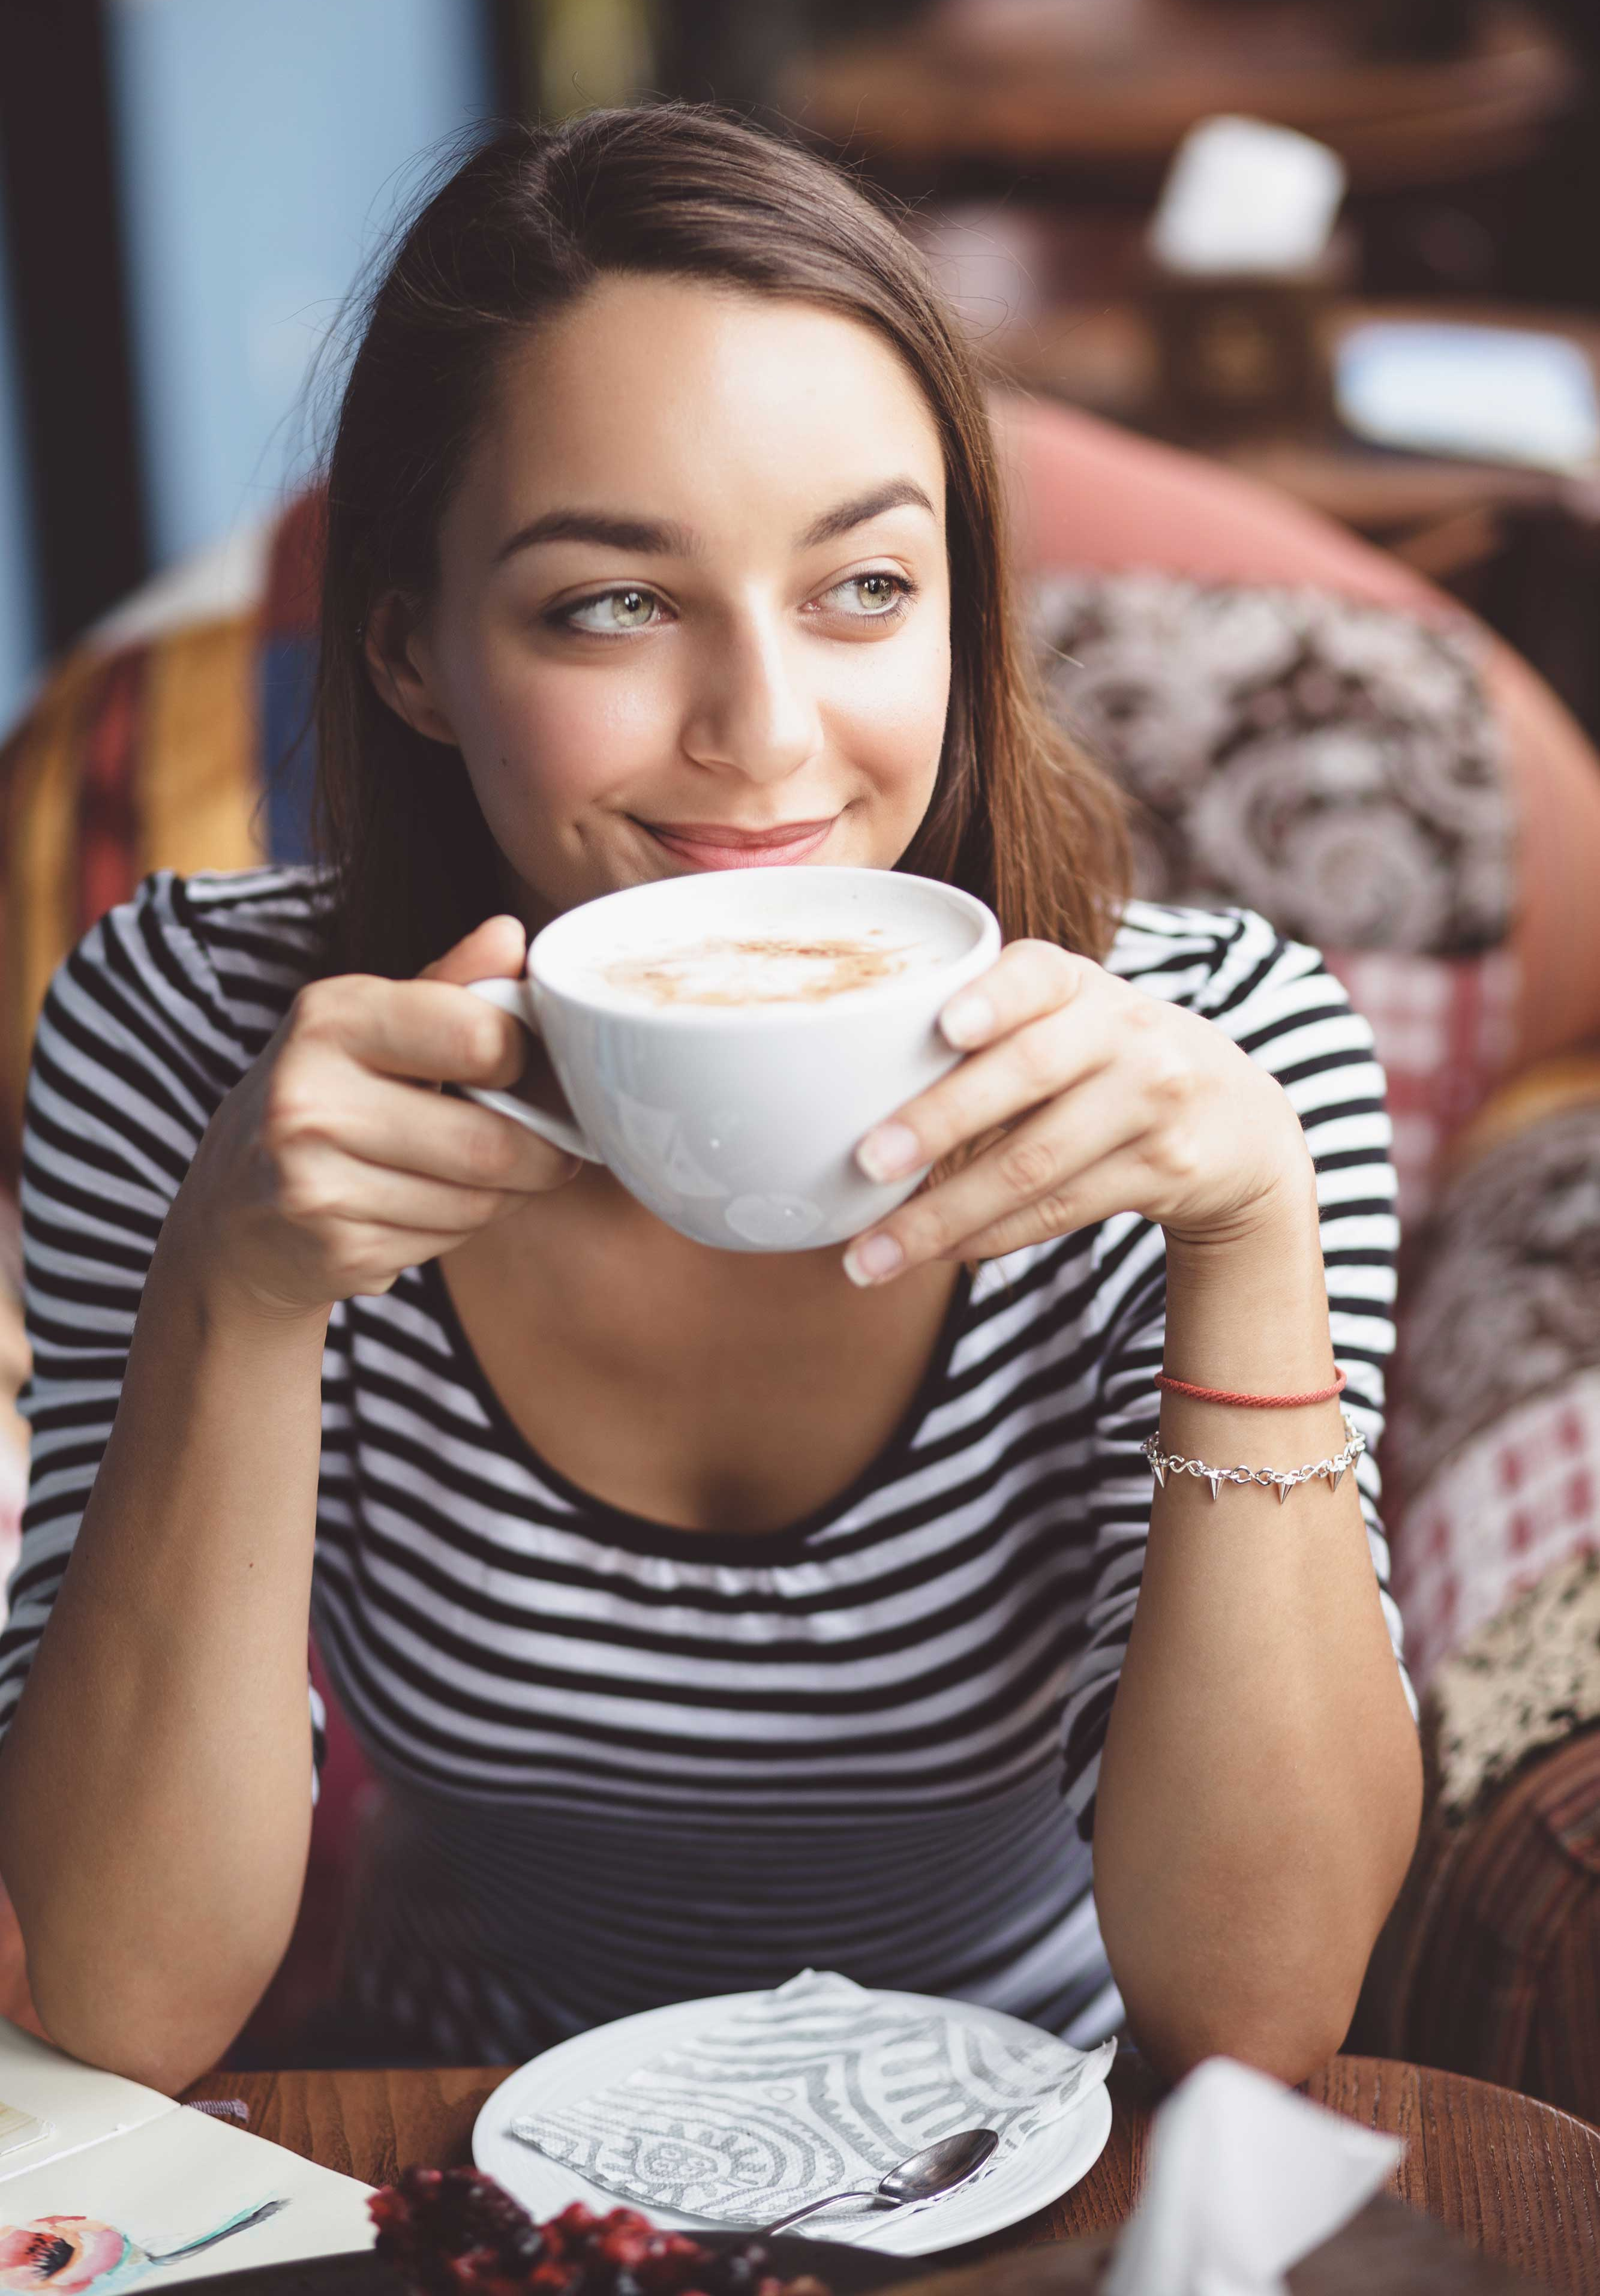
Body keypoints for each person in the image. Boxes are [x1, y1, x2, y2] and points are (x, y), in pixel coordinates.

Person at [0, 107, 1419, 2096]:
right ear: (410, 647)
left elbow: (1259, 2015)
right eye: (613, 603)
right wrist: (239, 1295)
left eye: (860, 589)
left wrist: (1250, 1245)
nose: (763, 736)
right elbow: (123, 2005)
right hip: (451, 2120)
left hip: (1046, 2132)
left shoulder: (1217, 1065)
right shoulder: (201, 1038)